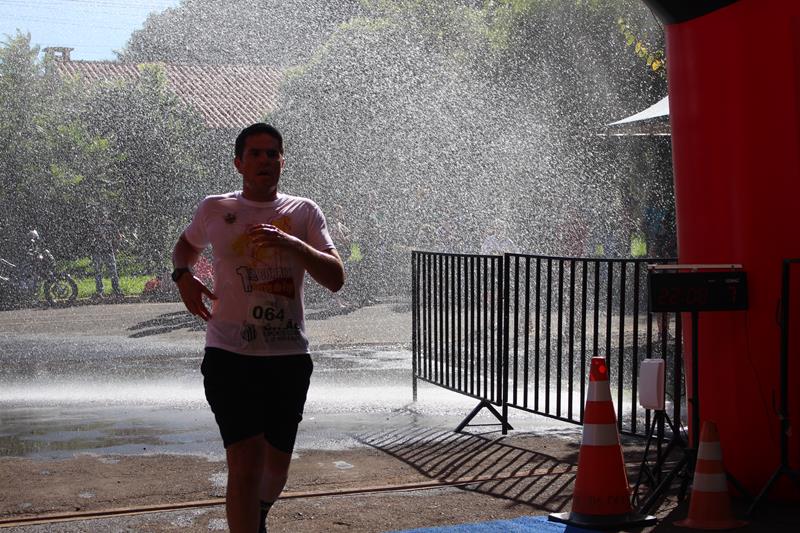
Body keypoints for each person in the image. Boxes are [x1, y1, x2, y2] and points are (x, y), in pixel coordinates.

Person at [171, 123, 344, 533]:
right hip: (229, 354)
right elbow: (186, 245)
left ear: (283, 161)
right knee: (245, 461)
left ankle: (257, 514)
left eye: (273, 154)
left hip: (288, 357)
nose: (265, 160)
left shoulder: (303, 211)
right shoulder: (215, 207)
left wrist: (293, 245)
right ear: (238, 163)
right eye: (256, 154)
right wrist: (183, 275)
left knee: (276, 468)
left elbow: (336, 277)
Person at [90, 214, 123, 298]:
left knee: (113, 272)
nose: (100, 218)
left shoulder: (110, 224)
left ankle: (116, 291)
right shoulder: (94, 224)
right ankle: (99, 292)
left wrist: (116, 248)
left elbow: (118, 236)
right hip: (96, 251)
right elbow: (89, 238)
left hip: (108, 250)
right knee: (98, 272)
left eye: (102, 216)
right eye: (99, 216)